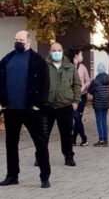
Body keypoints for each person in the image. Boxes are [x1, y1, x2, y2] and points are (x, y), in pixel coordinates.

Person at [0, 31, 51, 188]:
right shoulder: (7, 59)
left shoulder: (37, 61)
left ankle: (44, 176)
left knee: (40, 143)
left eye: (21, 40)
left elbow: (45, 84)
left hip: (31, 110)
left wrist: (38, 105)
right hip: (11, 109)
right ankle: (12, 175)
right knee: (11, 144)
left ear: (28, 41)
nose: (18, 42)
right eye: (16, 39)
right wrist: (2, 103)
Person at [45, 42, 81, 166]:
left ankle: (68, 157)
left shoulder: (70, 67)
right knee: (43, 134)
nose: (56, 53)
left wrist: (75, 101)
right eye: (54, 50)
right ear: (49, 52)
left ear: (62, 52)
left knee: (66, 135)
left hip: (65, 106)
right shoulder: (44, 66)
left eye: (59, 50)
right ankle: (40, 157)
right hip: (48, 106)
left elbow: (77, 85)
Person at [68, 47, 90, 146]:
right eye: (81, 55)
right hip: (71, 97)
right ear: (76, 56)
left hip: (82, 96)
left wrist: (84, 87)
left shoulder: (83, 68)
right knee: (76, 118)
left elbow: (88, 80)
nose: (82, 57)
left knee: (78, 118)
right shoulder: (68, 67)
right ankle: (83, 138)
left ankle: (75, 139)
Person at [88, 63, 109, 147]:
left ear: (98, 70)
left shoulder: (95, 81)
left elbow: (89, 90)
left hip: (98, 104)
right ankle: (106, 140)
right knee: (104, 121)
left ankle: (101, 140)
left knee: (99, 121)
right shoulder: (108, 79)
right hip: (106, 103)